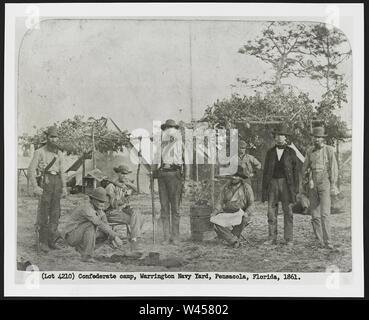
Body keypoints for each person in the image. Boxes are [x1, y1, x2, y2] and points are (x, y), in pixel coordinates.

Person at [28, 126, 67, 252]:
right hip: (46, 181)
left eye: (56, 137)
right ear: (47, 138)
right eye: (51, 137)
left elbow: (62, 172)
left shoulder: (59, 153)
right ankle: (43, 242)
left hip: (57, 184)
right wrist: (35, 186)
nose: (54, 139)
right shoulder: (39, 152)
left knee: (56, 213)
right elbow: (31, 171)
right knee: (44, 213)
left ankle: (52, 241)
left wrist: (65, 187)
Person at [262, 125, 299, 246]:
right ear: (275, 137)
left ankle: (289, 238)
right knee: (271, 211)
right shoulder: (270, 152)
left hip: (286, 184)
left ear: (285, 137)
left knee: (288, 211)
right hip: (272, 183)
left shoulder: (291, 152)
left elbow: (295, 172)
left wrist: (295, 189)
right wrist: (265, 188)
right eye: (277, 135)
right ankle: (272, 238)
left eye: (282, 135)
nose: (279, 138)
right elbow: (266, 171)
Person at [63, 187, 123, 262]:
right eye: (100, 201)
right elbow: (98, 222)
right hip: (71, 235)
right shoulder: (87, 207)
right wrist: (115, 236)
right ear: (93, 199)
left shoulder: (97, 207)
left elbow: (105, 224)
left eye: (103, 201)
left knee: (105, 233)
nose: (102, 204)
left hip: (79, 234)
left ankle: (81, 250)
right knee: (91, 225)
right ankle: (87, 256)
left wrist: (112, 237)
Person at [302, 126, 338, 250]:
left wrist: (333, 184)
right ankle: (319, 240)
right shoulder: (309, 151)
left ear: (323, 139)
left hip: (325, 182)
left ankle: (328, 241)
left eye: (319, 137)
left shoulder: (329, 150)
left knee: (325, 214)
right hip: (313, 183)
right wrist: (308, 180)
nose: (316, 140)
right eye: (314, 137)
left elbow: (333, 168)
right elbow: (305, 168)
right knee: (315, 215)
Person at [156, 119, 190, 245]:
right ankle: (166, 237)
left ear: (176, 130)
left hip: (175, 175)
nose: (170, 130)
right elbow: (156, 162)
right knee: (164, 208)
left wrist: (185, 181)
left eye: (172, 128)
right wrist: (153, 173)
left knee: (175, 208)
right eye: (167, 128)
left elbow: (187, 164)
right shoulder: (161, 145)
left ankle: (175, 237)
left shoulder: (181, 144)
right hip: (162, 175)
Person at [100, 165, 143, 251]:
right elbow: (113, 205)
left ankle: (134, 238)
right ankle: (134, 240)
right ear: (118, 173)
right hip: (110, 213)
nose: (124, 176)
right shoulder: (111, 186)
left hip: (120, 211)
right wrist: (123, 202)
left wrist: (128, 184)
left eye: (126, 174)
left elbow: (140, 191)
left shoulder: (125, 185)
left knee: (138, 214)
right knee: (137, 219)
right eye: (122, 173)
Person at [211, 166, 254, 248]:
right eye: (232, 175)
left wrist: (247, 212)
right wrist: (215, 212)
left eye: (237, 176)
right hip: (228, 212)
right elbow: (219, 202)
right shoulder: (225, 187)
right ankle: (233, 239)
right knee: (214, 219)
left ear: (241, 177)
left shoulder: (246, 187)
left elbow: (251, 204)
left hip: (241, 213)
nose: (234, 178)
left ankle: (231, 238)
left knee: (244, 219)